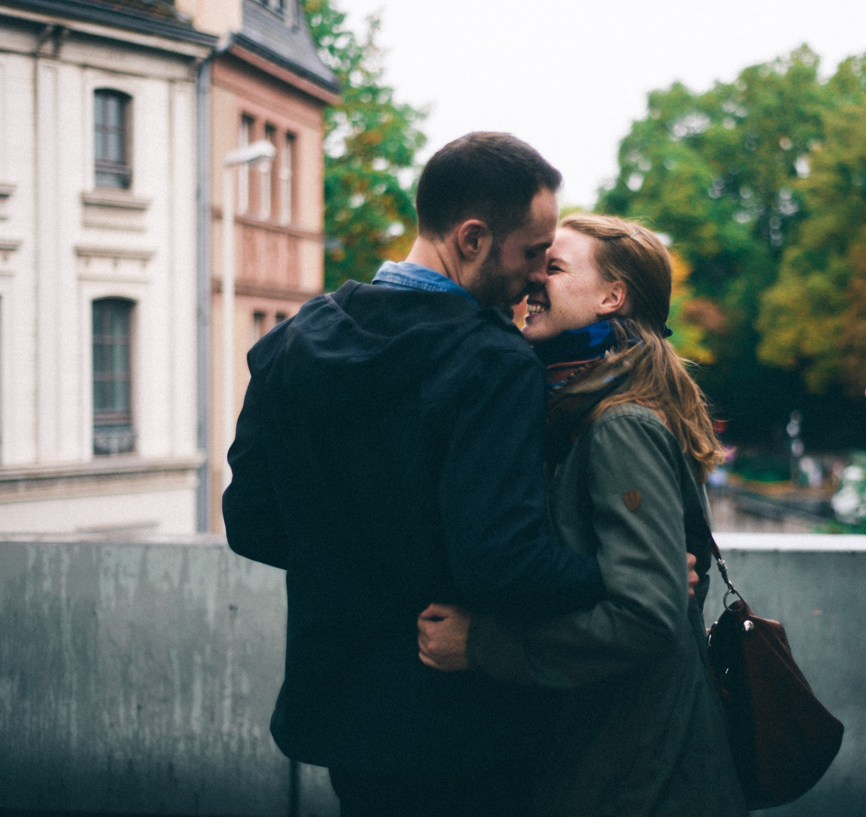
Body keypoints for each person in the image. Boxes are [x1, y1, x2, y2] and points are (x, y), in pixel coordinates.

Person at [222, 133, 608, 817]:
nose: (538, 274)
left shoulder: (290, 342)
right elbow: (501, 563)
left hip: (344, 715)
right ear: (471, 238)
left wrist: (353, 572)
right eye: (530, 252)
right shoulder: (492, 362)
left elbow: (249, 522)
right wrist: (613, 572)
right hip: (467, 725)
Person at [418, 213, 748, 816]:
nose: (533, 280)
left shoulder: (618, 423)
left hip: (640, 774)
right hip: (620, 759)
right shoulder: (576, 406)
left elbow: (647, 616)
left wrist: (483, 644)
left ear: (611, 297)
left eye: (555, 267)